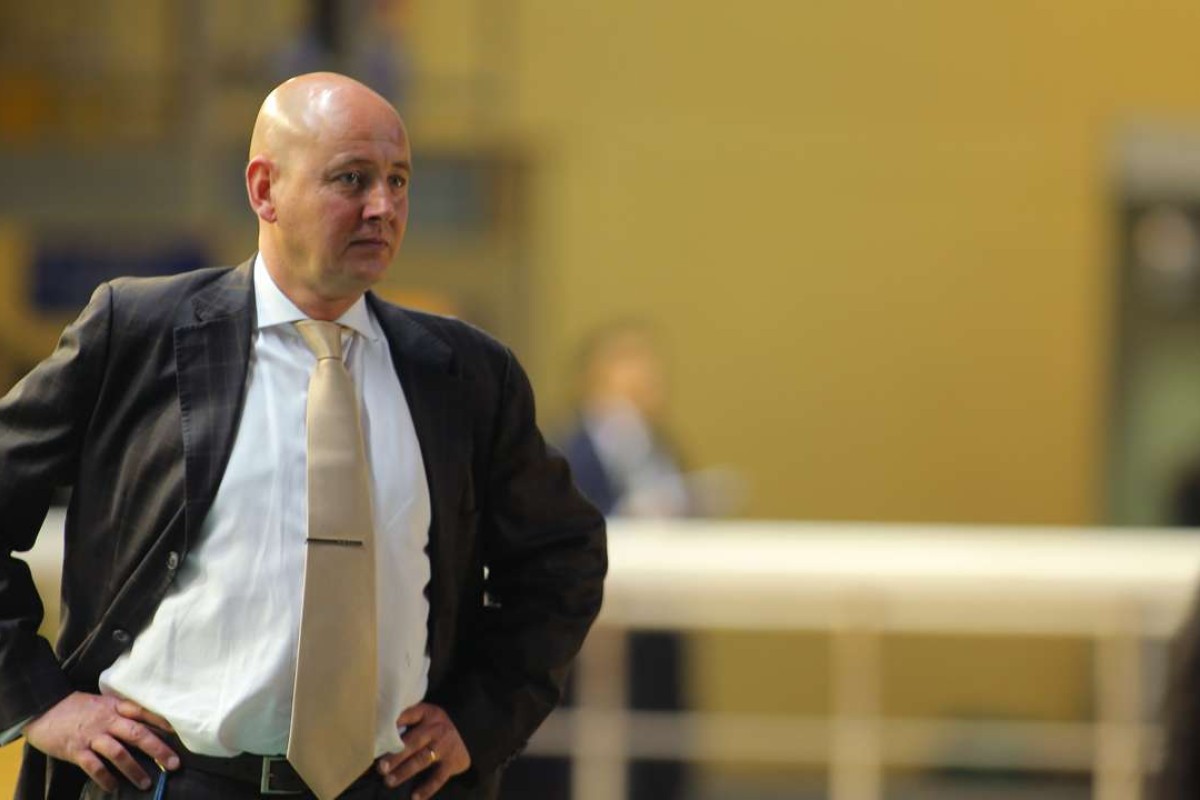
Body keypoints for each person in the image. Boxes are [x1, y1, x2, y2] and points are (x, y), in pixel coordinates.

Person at [0, 73, 606, 800]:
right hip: (168, 779)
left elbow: (560, 559)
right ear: (265, 190)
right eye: (352, 179)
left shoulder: (466, 377)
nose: (382, 207)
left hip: (385, 784)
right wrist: (39, 703)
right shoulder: (138, 333)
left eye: (398, 180)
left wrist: (477, 719)